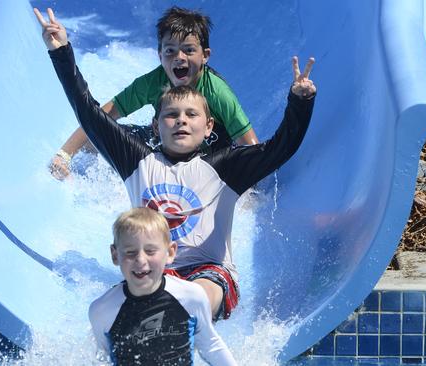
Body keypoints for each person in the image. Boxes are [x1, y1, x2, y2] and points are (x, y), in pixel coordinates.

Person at [35, 8, 317, 321]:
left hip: (209, 275)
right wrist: (61, 51)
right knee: (115, 304)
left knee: (201, 291)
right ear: (157, 125)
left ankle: (186, 314)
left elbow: (275, 149)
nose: (181, 120)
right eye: (171, 116)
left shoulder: (224, 166)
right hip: (156, 272)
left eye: (191, 116)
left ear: (208, 124)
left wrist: (299, 104)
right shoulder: (138, 159)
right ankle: (159, 314)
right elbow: (91, 113)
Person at [35, 7, 259, 180]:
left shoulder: (218, 92)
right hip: (167, 143)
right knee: (99, 137)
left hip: (209, 154)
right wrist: (64, 155)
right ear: (159, 55)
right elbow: (98, 117)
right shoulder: (152, 82)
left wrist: (246, 186)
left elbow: (250, 144)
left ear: (205, 55)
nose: (179, 57)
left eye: (189, 50)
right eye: (170, 51)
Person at [89, 207, 237, 365]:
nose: (140, 260)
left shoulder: (191, 296)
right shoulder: (102, 311)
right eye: (130, 252)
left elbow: (211, 345)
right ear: (115, 255)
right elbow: (104, 358)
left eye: (150, 251)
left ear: (170, 252)